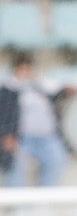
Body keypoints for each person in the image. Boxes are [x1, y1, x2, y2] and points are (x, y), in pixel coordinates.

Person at [6, 56, 68, 187]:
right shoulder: (8, 90)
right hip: (21, 139)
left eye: (28, 70)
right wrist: (5, 135)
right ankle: (16, 205)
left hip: (47, 137)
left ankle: (44, 202)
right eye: (22, 70)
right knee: (16, 172)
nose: (25, 73)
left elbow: (58, 93)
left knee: (56, 161)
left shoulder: (40, 88)